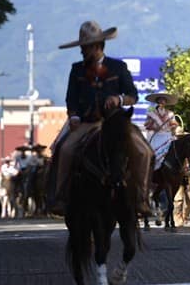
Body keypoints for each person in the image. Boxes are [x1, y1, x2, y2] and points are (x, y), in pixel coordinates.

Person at [50, 20, 153, 216]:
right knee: (65, 149)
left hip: (114, 122)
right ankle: (61, 197)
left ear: (97, 46)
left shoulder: (118, 67)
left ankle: (141, 199)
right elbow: (71, 100)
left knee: (144, 152)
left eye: (85, 47)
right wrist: (73, 116)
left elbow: (133, 95)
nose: (82, 51)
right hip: (87, 123)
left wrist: (119, 98)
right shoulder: (77, 69)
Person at [143, 92, 179, 170]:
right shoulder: (152, 113)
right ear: (157, 102)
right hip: (156, 136)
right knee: (151, 152)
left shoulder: (170, 113)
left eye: (163, 101)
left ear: (166, 102)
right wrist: (155, 127)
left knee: (177, 150)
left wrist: (173, 127)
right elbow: (146, 125)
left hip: (167, 136)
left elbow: (174, 124)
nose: (162, 102)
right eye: (160, 100)